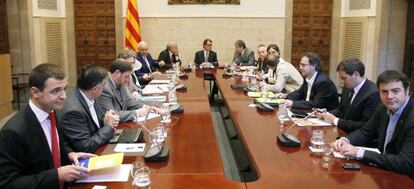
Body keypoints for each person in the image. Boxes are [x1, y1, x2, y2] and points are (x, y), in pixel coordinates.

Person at [0, 63, 94, 188]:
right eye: (56, 91)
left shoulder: (52, 112)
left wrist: (69, 155)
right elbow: (8, 184)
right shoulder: (13, 132)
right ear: (35, 92)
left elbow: (49, 149)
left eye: (64, 89)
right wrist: (56, 175)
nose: (64, 96)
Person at [333, 70, 414, 179]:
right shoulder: (383, 108)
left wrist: (359, 152)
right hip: (386, 171)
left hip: (406, 177)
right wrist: (345, 140)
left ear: (407, 91)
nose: (389, 96)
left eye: (395, 91)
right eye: (384, 92)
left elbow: (405, 162)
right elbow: (365, 132)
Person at [60, 65, 120, 153]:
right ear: (94, 89)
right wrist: (108, 127)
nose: (104, 88)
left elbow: (98, 118)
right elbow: (86, 146)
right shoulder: (73, 112)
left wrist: (107, 117)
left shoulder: (89, 95)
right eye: (103, 85)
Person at [317, 58, 380, 133]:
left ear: (356, 74)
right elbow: (341, 110)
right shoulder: (347, 87)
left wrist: (335, 120)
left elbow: (365, 124)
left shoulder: (373, 94)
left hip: (357, 137)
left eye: (344, 78)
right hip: (341, 131)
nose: (341, 81)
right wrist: (326, 114)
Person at [97, 58, 158, 123]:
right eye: (127, 76)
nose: (128, 80)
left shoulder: (120, 81)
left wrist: (147, 107)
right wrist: (137, 113)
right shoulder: (104, 88)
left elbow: (129, 101)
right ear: (117, 73)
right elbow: (112, 115)